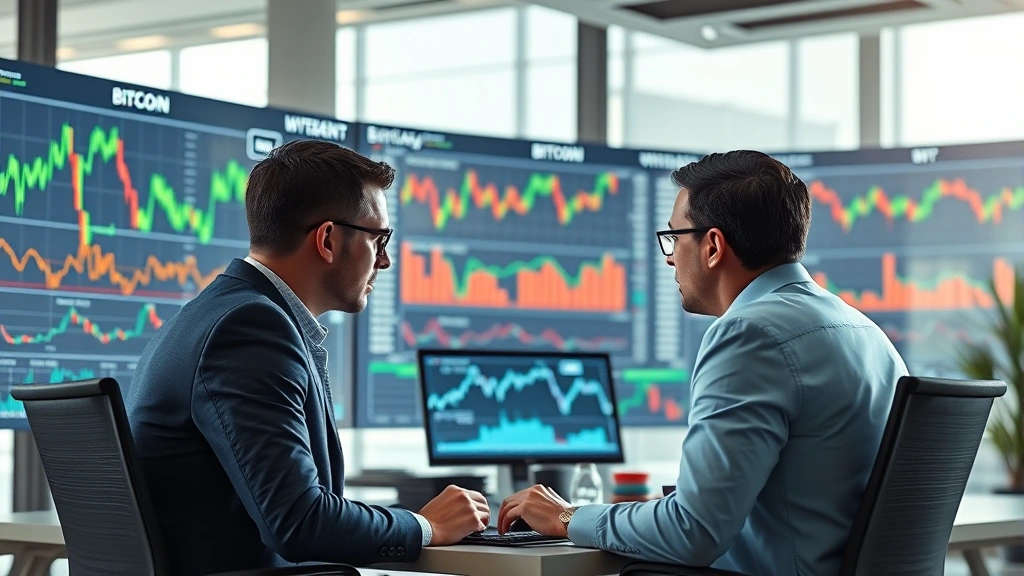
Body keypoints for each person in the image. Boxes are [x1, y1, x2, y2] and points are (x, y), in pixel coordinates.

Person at [497, 150, 909, 575]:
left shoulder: (749, 335)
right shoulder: (866, 333)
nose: (670, 257)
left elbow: (694, 533)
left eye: (674, 238)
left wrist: (569, 518)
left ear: (712, 246)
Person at [125, 140, 490, 576]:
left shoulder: (214, 313)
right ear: (328, 239)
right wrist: (425, 526)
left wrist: (409, 518)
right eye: (379, 238)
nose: (386, 260)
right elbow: (298, 523)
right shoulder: (250, 330)